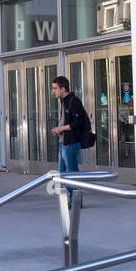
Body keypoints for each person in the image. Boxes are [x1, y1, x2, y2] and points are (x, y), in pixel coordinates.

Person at [50, 75, 89, 208]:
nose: (53, 91)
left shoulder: (74, 101)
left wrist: (61, 128)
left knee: (71, 173)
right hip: (63, 142)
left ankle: (76, 202)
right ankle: (72, 200)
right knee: (62, 173)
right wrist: (59, 129)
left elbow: (77, 123)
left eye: (55, 88)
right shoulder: (64, 101)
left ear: (63, 89)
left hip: (71, 143)